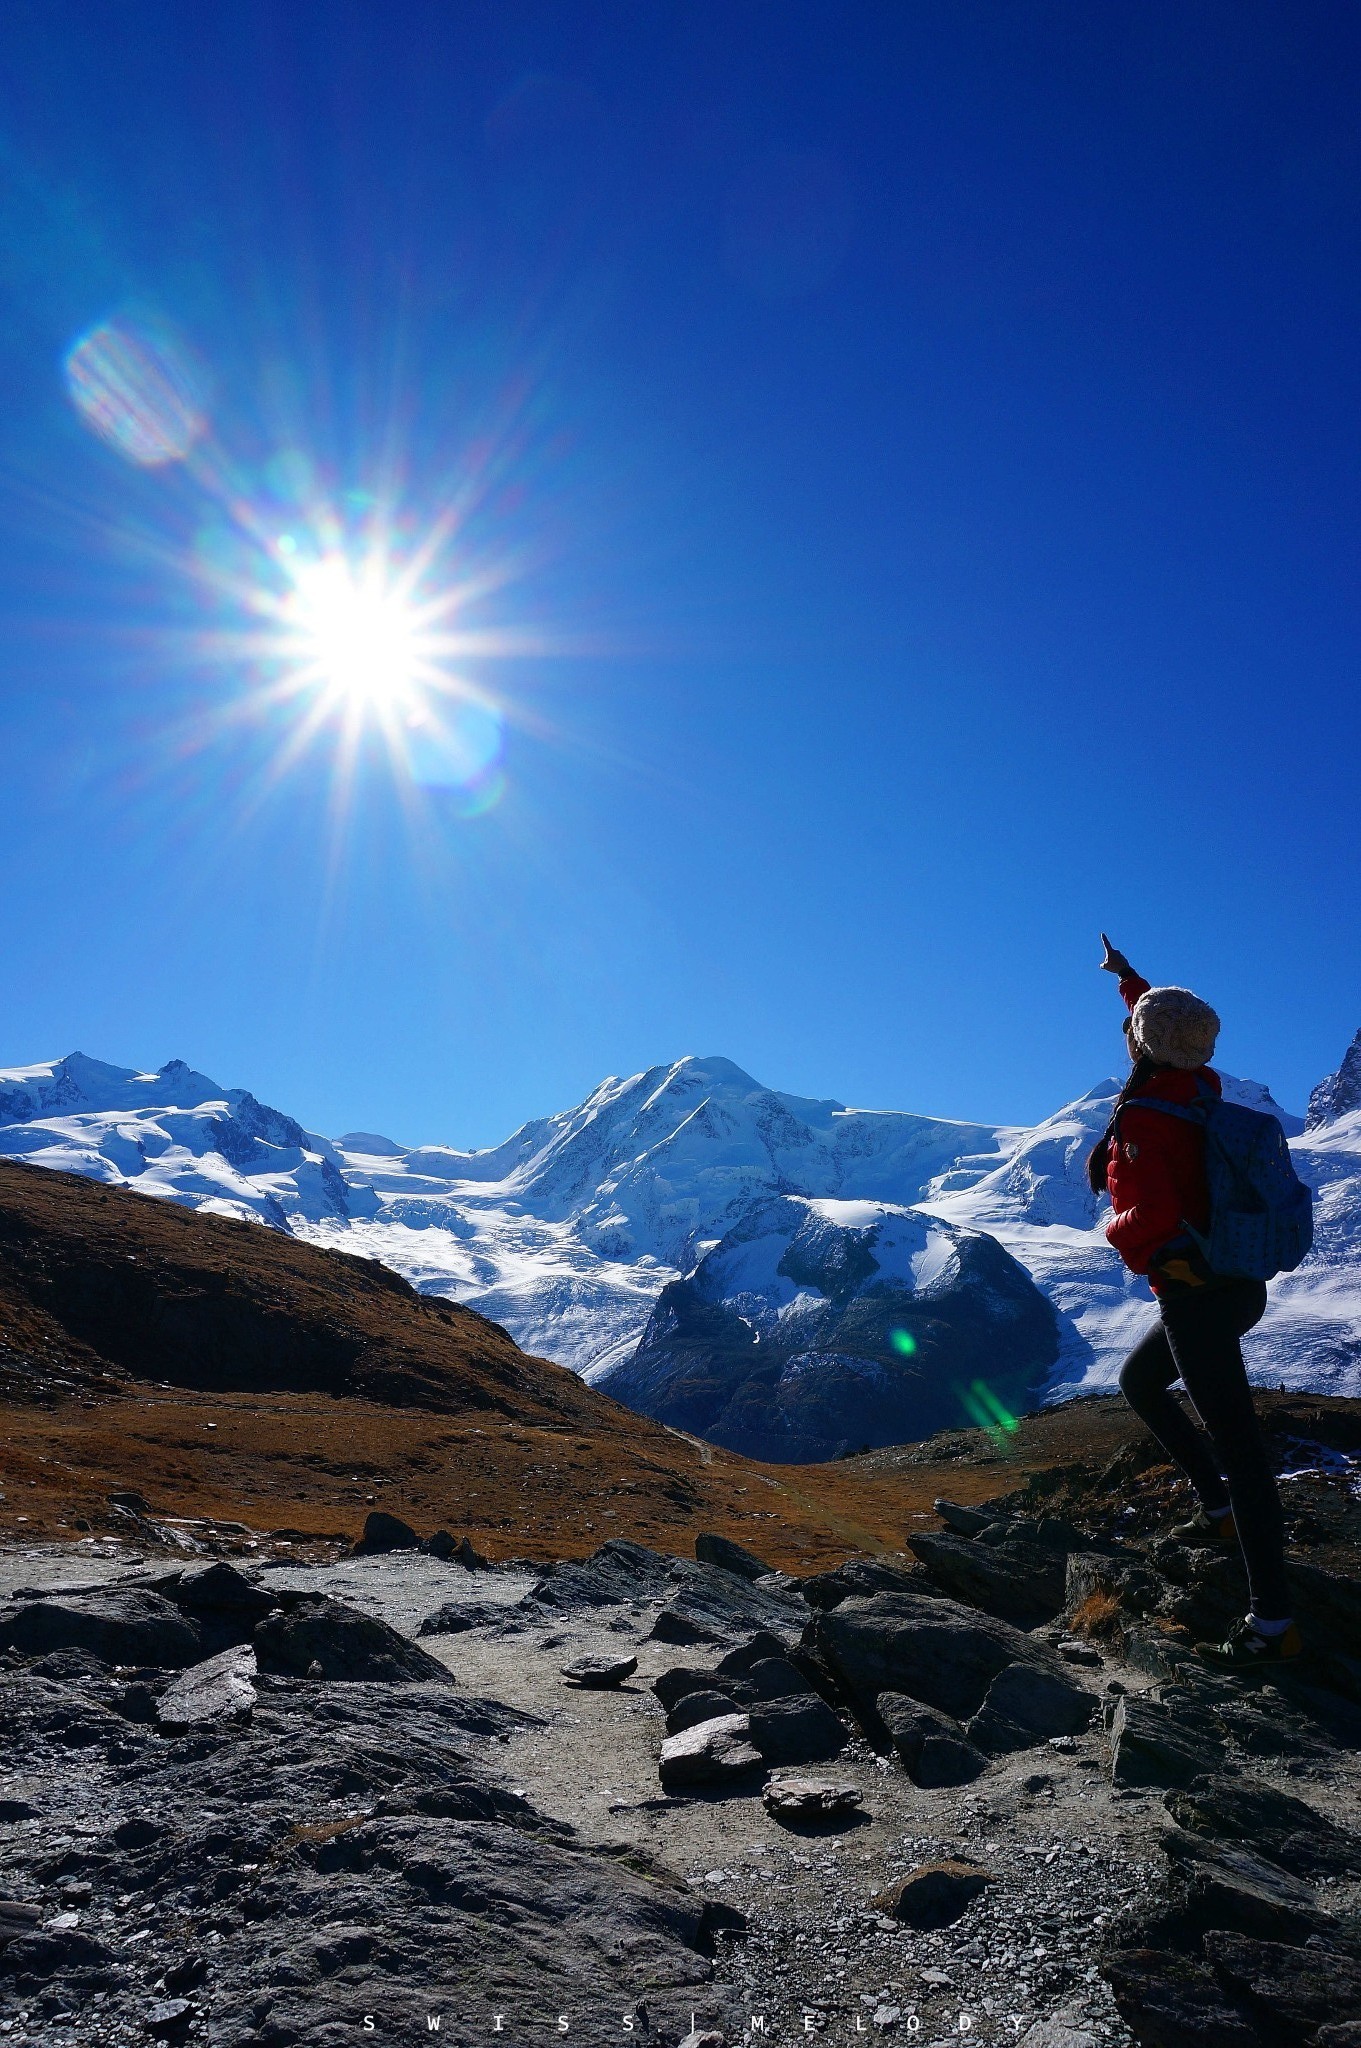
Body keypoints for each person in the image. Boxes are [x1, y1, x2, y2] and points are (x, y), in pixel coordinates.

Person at [1089, 935, 1302, 1670]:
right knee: (1138, 1382)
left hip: (1194, 1294)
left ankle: (1271, 1621)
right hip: (1238, 1284)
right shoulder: (1202, 1089)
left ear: (1143, 1048)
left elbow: (1145, 1216)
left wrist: (1114, 1235)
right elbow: (1155, 1031)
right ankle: (1214, 1510)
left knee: (1243, 1453)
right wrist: (1129, 981)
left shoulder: (1144, 1116)